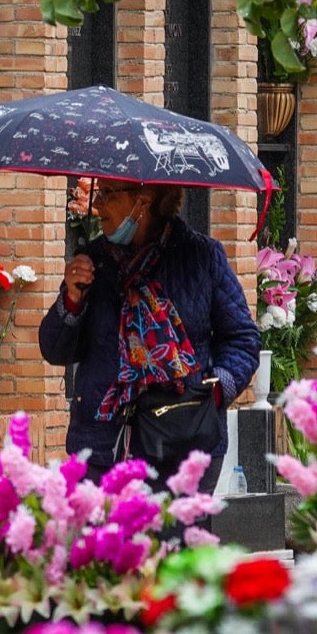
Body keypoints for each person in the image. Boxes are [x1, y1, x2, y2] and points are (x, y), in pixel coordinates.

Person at [38, 179, 261, 494]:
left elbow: (242, 339)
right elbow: (55, 350)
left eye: (107, 194)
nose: (97, 203)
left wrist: (214, 391)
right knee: (106, 544)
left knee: (175, 543)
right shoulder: (92, 263)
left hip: (184, 445)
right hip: (103, 449)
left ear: (142, 201)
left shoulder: (200, 256)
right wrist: (73, 299)